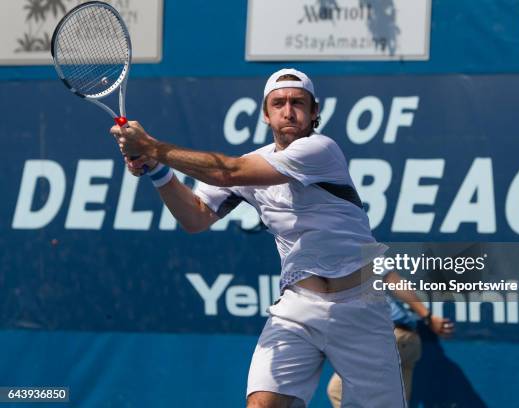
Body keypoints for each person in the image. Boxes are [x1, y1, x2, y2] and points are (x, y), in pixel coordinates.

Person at [111, 68, 406, 408]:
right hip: (298, 307)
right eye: (278, 103)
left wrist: (150, 146)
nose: (288, 110)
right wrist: (157, 170)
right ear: (266, 114)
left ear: (314, 113)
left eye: (298, 102)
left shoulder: (321, 149)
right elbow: (195, 217)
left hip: (359, 307)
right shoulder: (251, 163)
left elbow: (228, 172)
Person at [327, 270, 454, 407]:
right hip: (407, 340)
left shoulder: (352, 253)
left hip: (390, 338)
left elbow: (394, 281)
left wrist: (428, 317)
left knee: (338, 390)